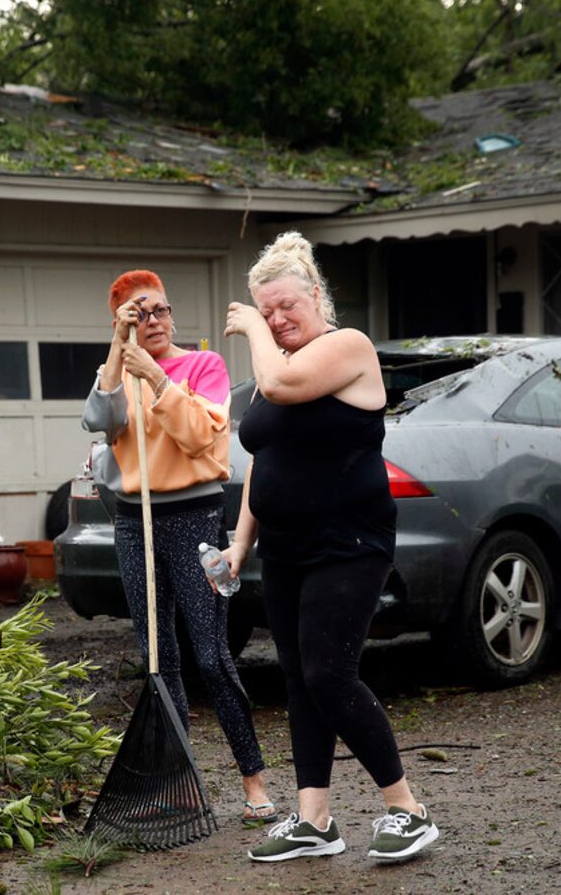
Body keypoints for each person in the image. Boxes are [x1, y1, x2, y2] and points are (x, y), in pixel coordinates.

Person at [222, 232, 439, 863]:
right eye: (267, 312)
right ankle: (314, 820)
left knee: (328, 673)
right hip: (285, 547)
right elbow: (264, 462)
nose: (278, 320)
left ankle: (408, 809)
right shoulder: (273, 372)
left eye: (286, 306)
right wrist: (240, 545)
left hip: (350, 543)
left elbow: (287, 385)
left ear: (317, 295)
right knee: (298, 680)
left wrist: (257, 334)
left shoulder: (347, 348)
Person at [82, 268, 275, 825]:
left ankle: (254, 780)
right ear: (122, 322)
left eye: (161, 309)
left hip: (194, 519)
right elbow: (100, 420)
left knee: (212, 655)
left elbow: (202, 436)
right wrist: (120, 357)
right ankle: (181, 785)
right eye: (139, 313)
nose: (155, 321)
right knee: (159, 660)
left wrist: (160, 382)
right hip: (133, 523)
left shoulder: (203, 367)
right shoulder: (115, 372)